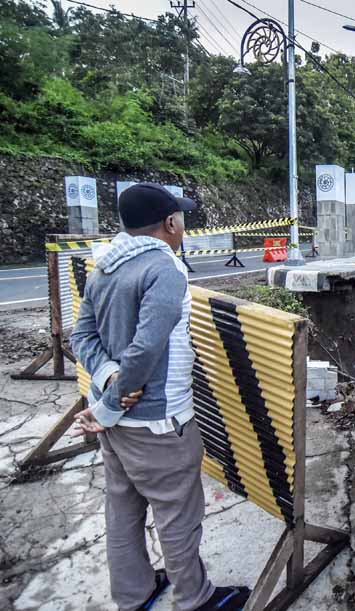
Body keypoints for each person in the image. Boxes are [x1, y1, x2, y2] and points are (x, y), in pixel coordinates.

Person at [70, 183, 251, 611]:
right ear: (171, 223)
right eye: (181, 217)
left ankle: (134, 593)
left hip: (118, 433)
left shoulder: (105, 267)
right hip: (159, 424)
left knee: (123, 511)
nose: (183, 224)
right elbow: (147, 348)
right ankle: (196, 599)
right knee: (178, 517)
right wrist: (112, 403)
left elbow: (83, 336)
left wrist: (107, 378)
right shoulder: (165, 270)